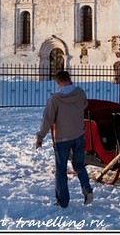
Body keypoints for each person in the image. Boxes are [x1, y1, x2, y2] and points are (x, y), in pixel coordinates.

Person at [34, 70, 93, 208]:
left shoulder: (55, 98)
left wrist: (40, 137)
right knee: (79, 165)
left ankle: (62, 201)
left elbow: (47, 120)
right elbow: (84, 105)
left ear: (58, 82)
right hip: (79, 134)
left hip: (62, 138)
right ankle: (87, 190)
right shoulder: (80, 93)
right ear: (69, 79)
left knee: (61, 170)